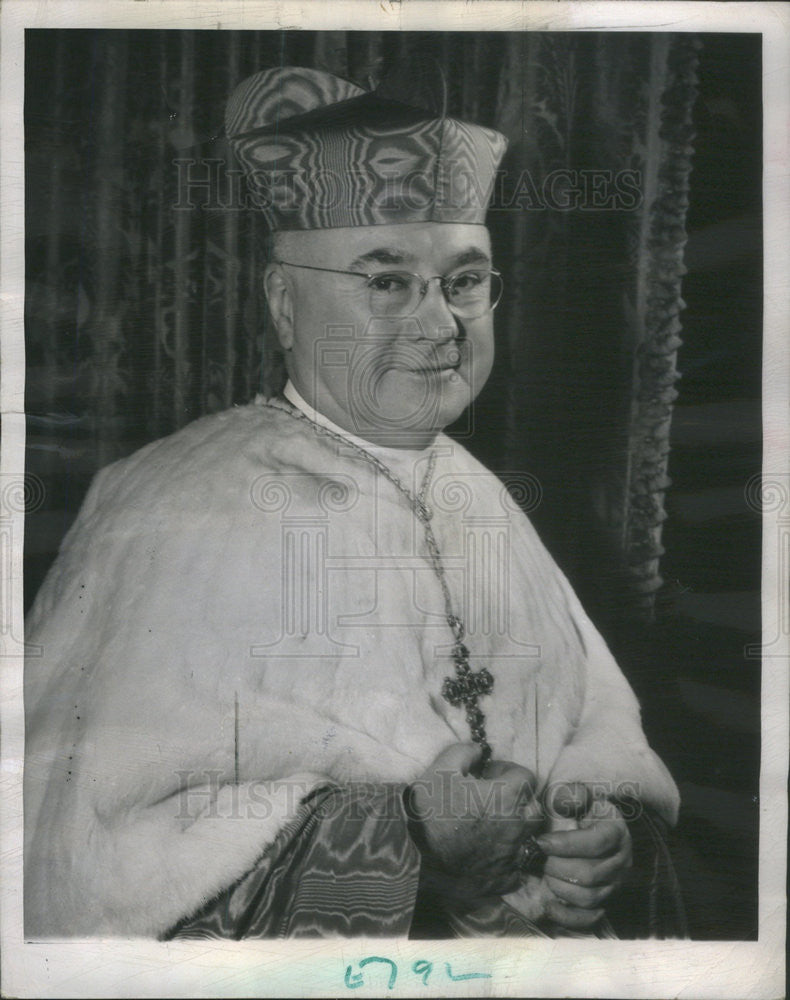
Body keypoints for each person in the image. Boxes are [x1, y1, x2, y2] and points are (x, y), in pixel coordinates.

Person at [24, 59, 683, 939]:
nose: (442, 324)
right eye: (386, 281)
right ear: (284, 305)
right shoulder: (169, 502)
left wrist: (600, 834)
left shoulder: (480, 492)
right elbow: (82, 871)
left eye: (465, 280)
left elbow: (601, 739)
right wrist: (408, 841)